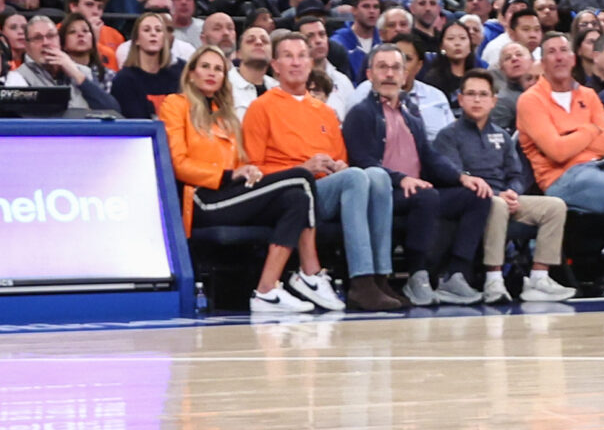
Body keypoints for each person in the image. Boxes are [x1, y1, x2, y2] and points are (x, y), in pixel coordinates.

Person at [239, 31, 402, 312]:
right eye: (288, 56)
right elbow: (254, 171)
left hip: (328, 189)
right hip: (288, 193)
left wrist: (338, 165)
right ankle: (360, 281)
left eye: (302, 56)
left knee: (377, 176)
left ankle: (380, 277)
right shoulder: (260, 107)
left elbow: (343, 162)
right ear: (275, 65)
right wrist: (302, 168)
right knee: (355, 178)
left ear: (311, 64)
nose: (296, 62)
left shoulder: (325, 111)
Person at [160, 47, 328, 317]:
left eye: (218, 69)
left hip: (232, 193)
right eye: (205, 66)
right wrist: (229, 175)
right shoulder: (175, 105)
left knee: (295, 197)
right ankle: (311, 272)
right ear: (191, 74)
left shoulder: (226, 116)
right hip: (202, 198)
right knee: (301, 176)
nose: (212, 73)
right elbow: (178, 164)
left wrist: (248, 172)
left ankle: (266, 290)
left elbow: (237, 163)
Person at [341, 44, 480, 306]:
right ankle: (418, 274)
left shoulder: (411, 113)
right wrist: (400, 179)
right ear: (370, 74)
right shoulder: (360, 113)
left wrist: (462, 177)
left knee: (475, 197)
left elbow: (429, 156)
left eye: (396, 68)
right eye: (383, 67)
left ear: (406, 75)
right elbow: (363, 162)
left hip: (416, 188)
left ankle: (456, 274)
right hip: (385, 193)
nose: (390, 74)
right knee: (425, 197)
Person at [433, 69, 571, 304]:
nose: (477, 100)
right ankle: (494, 279)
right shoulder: (448, 135)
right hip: (473, 202)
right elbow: (456, 176)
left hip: (506, 198)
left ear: (493, 100)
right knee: (495, 203)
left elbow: (516, 174)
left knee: (555, 206)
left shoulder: (502, 136)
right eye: (471, 94)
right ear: (460, 98)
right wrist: (499, 195)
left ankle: (539, 278)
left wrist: (513, 192)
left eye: (483, 94)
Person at [515, 33, 604, 263]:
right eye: (551, 52)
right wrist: (590, 130)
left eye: (564, 51)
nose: (559, 57)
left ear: (573, 58)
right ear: (542, 62)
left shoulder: (588, 95)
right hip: (562, 178)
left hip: (602, 165)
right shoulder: (530, 100)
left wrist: (570, 135)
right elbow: (557, 152)